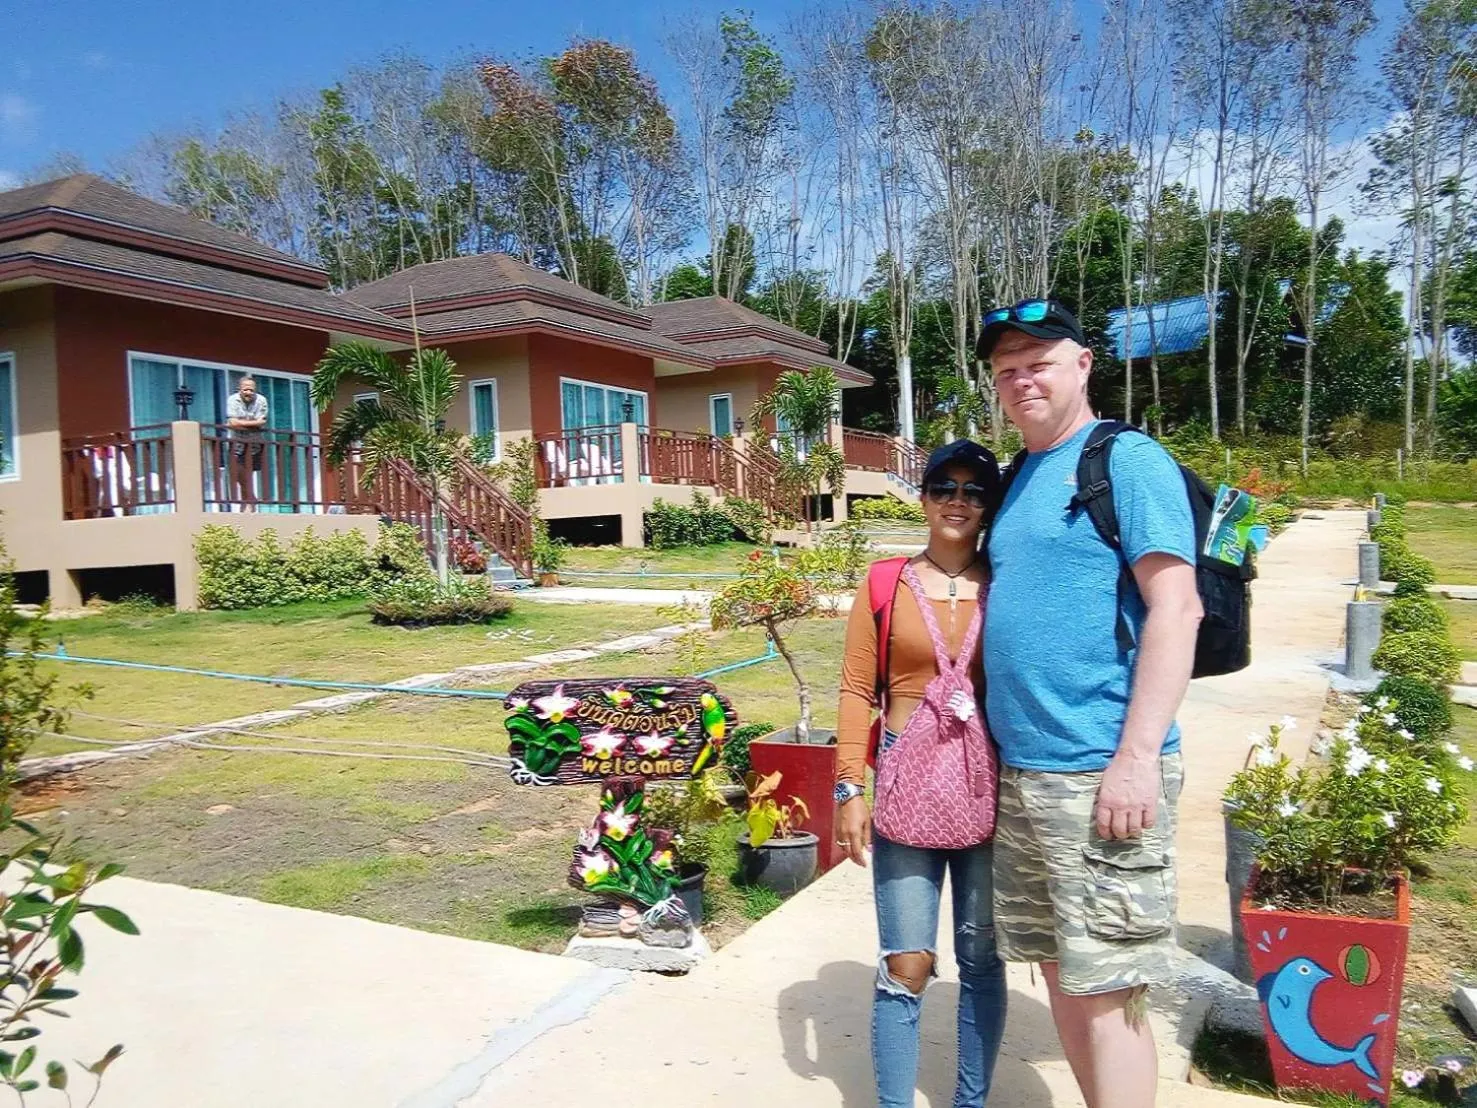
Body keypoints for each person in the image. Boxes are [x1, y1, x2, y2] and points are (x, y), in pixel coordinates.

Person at [979, 299, 1203, 1108]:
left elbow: (1176, 608)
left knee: (1110, 991)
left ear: (1082, 364)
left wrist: (1135, 760)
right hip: (1024, 775)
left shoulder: (1126, 460)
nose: (1019, 379)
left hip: (1100, 771)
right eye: (1005, 368)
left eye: (1037, 360)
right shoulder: (1018, 476)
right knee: (1063, 974)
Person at [834, 440, 1007, 1108]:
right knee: (906, 963)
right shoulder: (884, 583)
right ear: (923, 496)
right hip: (906, 786)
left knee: (981, 962)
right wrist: (850, 786)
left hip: (983, 787)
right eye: (944, 487)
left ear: (987, 505)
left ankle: (970, 1101)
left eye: (972, 490)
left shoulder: (1006, 584)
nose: (957, 501)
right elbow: (855, 689)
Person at [227, 376, 268, 510]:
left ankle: (248, 505)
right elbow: (232, 423)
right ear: (240, 389)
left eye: (251, 390)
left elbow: (262, 422)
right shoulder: (233, 400)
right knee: (238, 474)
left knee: (248, 475)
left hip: (254, 442)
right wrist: (252, 423)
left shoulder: (261, 400)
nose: (248, 392)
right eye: (245, 389)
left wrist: (240, 423)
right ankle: (251, 501)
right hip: (236, 441)